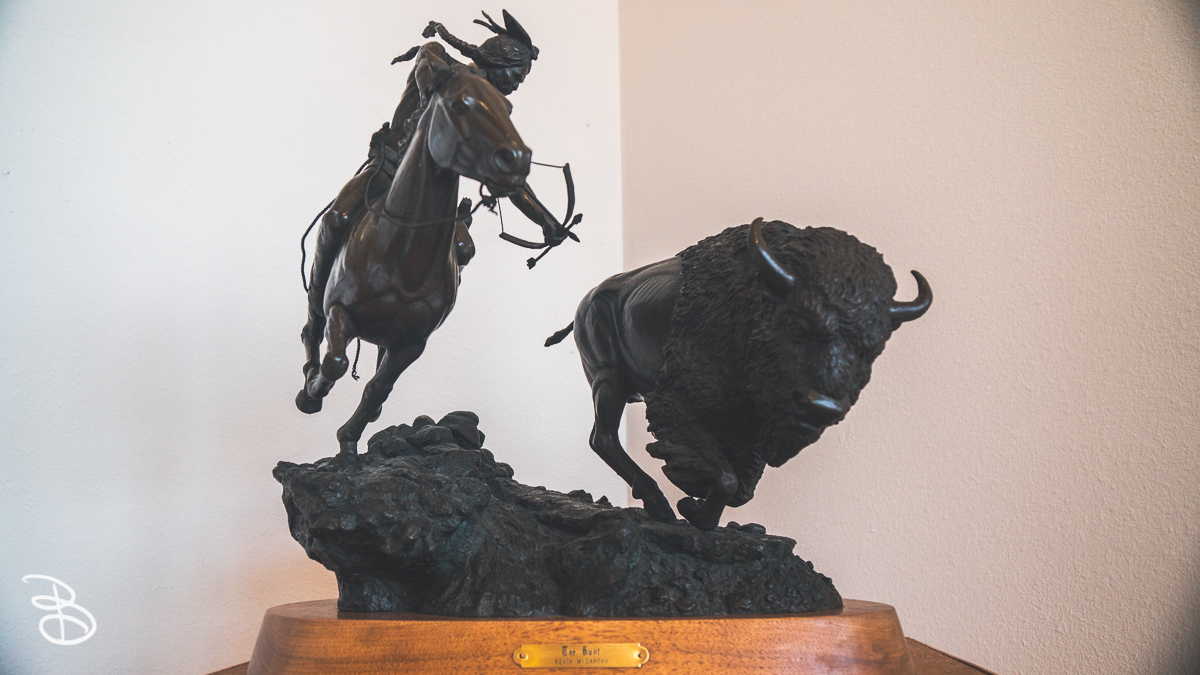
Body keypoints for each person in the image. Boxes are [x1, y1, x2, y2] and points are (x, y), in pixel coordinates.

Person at [303, 10, 570, 326]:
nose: (515, 85)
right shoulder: (441, 64)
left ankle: (417, 321)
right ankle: (317, 314)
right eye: (516, 76)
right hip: (389, 170)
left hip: (432, 196)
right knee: (336, 219)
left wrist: (545, 220)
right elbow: (428, 70)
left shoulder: (488, 108)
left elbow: (509, 175)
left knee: (463, 249)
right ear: (499, 62)